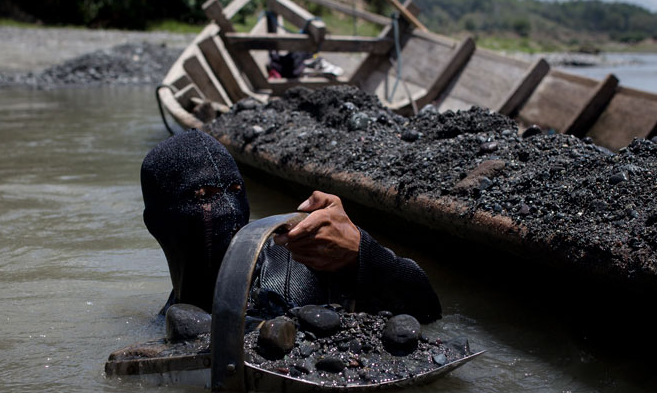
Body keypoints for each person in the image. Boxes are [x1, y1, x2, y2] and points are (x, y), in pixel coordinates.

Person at [140, 129, 441, 323]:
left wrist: (361, 252)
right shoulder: (171, 316)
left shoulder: (297, 258)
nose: (228, 208)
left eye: (235, 191)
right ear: (156, 224)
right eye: (203, 196)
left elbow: (427, 309)